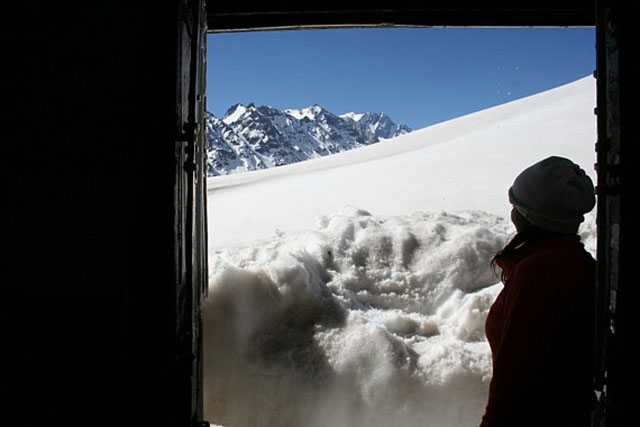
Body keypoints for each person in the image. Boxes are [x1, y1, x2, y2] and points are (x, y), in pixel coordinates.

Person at [480, 156, 597, 427]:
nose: (511, 212)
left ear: (530, 215)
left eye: (515, 204)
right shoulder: (574, 261)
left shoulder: (539, 272)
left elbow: (515, 382)